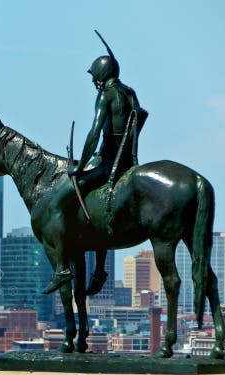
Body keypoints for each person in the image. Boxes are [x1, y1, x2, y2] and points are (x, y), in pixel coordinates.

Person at [42, 31, 148, 295]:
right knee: (95, 209)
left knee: (58, 202)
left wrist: (80, 167)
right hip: (128, 163)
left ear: (101, 74)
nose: (93, 81)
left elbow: (94, 132)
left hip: (109, 165)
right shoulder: (130, 93)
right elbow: (140, 119)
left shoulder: (107, 96)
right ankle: (99, 270)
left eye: (94, 76)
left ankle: (62, 268)